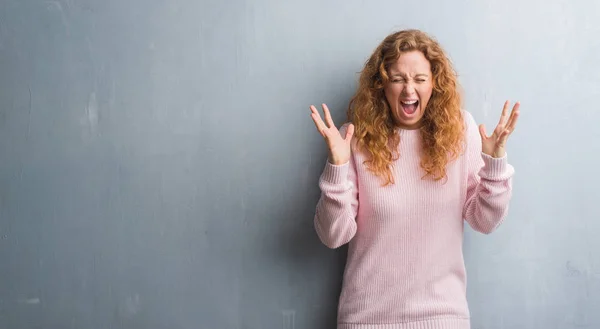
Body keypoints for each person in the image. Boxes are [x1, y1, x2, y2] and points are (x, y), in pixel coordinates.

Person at [309, 29, 519, 329]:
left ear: (434, 83)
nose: (409, 90)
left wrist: (495, 164)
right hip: (367, 320)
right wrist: (337, 165)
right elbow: (333, 236)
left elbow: (485, 221)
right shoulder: (354, 139)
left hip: (443, 318)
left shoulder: (461, 131)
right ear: (382, 85)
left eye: (419, 79)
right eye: (398, 79)